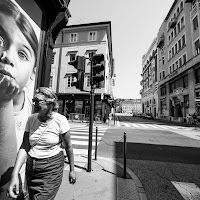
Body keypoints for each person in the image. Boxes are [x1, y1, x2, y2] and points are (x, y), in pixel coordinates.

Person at [8, 87, 76, 200]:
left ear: (50, 103)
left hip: (51, 168)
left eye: (38, 101)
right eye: (33, 100)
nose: (34, 103)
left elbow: (68, 146)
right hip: (32, 169)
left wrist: (72, 170)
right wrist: (15, 174)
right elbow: (25, 146)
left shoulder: (60, 121)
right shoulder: (31, 119)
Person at [0, 0, 38, 199]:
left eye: (22, 54)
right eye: (0, 40)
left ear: (32, 73)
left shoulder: (31, 106)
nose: (7, 56)